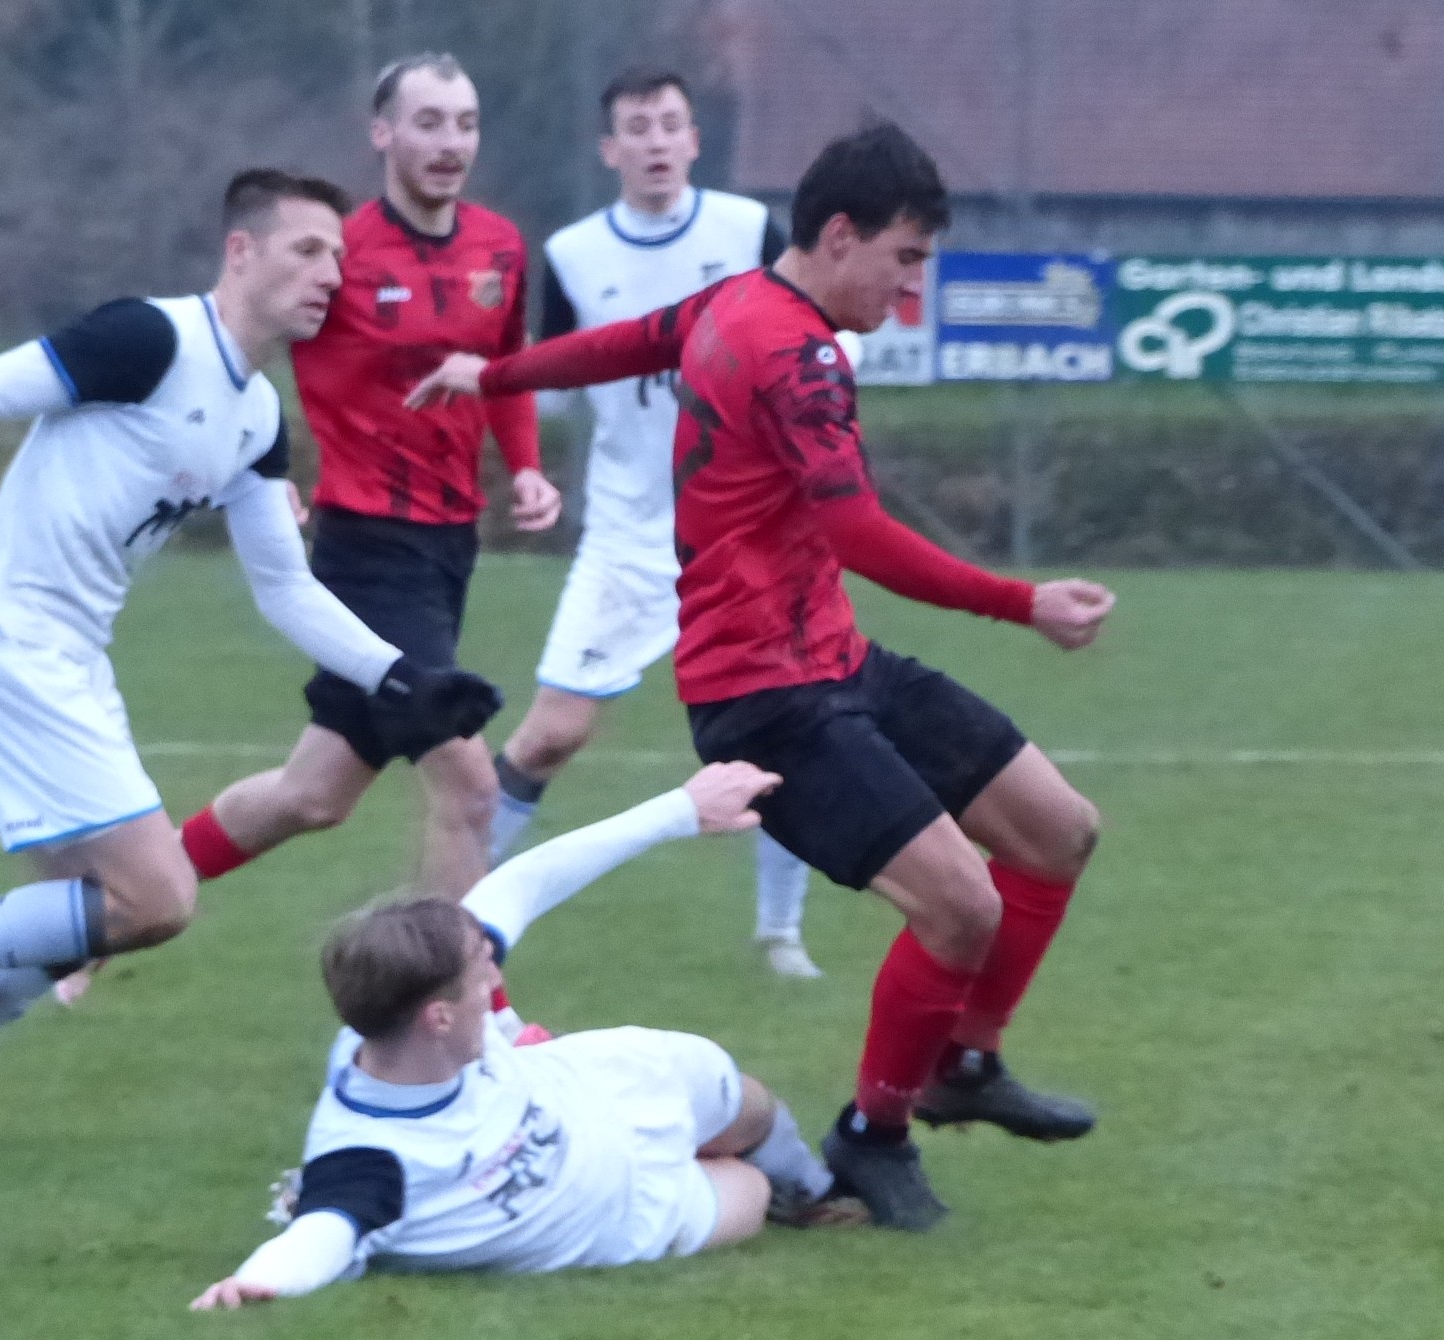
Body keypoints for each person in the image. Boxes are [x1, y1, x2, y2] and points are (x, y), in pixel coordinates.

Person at [404, 123, 1117, 1230]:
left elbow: (622, 344)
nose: (911, 286)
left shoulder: (733, 302)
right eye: (905, 258)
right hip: (767, 700)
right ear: (838, 235)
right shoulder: (797, 354)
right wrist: (1021, 602)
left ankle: (963, 1065)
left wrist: (491, 373)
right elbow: (859, 532)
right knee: (961, 905)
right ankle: (873, 1133)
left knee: (1059, 831)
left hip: (837, 658)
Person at [0, 169, 501, 1148]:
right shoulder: (150, 340)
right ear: (240, 251)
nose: (331, 274)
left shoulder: (256, 416)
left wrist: (402, 679)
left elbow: (284, 586)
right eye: (306, 250)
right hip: (4, 639)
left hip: (71, 657)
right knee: (157, 898)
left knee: (71, 919)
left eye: (338, 256)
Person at [188, 764, 858, 1310]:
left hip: (598, 1087)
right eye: (480, 978)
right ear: (437, 1017)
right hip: (631, 1213)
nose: (494, 983)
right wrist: (256, 1282)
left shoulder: (406, 1010)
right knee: (750, 1193)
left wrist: (682, 808)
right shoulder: (368, 1161)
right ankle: (789, 1194)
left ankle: (820, 1191)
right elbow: (320, 1235)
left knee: (744, 1101)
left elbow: (525, 882)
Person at [178, 53, 558, 902]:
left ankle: (113, 904)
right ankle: (460, 983)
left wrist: (528, 468)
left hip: (450, 549)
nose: (451, 142)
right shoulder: (338, 250)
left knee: (312, 795)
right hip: (367, 552)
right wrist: (254, 467)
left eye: (465, 124)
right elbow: (238, 346)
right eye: (429, 122)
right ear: (382, 133)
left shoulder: (499, 245)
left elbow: (505, 370)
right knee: (472, 788)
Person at [480, 66, 823, 981]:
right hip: (629, 538)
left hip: (746, 536)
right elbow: (548, 381)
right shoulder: (573, 254)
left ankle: (780, 934)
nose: (657, 141)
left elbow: (812, 341)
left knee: (784, 732)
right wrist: (526, 466)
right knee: (550, 735)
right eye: (638, 127)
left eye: (671, 124)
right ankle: (457, 921)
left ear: (695, 140)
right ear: (611, 149)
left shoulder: (748, 232)